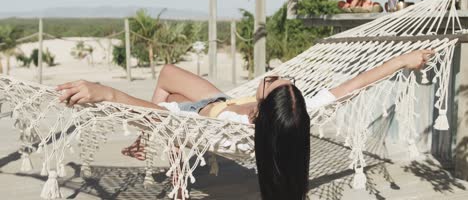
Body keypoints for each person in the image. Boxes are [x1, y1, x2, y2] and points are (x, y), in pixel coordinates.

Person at [57, 49, 434, 200]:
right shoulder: (296, 113)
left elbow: (159, 113)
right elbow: (354, 85)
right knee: (170, 74)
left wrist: (105, 93)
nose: (272, 75)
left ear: (261, 109)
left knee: (166, 105)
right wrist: (403, 60)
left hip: (199, 119)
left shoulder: (238, 131)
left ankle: (160, 148)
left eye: (270, 81)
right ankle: (156, 143)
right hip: (221, 102)